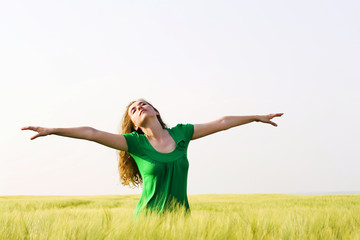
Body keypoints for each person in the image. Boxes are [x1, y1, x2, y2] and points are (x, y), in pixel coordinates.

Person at [22, 99, 283, 217]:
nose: (139, 107)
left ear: (156, 111)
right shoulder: (134, 143)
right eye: (133, 109)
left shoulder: (182, 133)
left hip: (181, 221)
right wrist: (52, 130)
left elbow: (222, 122)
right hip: (148, 220)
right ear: (134, 124)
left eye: (143, 103)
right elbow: (92, 133)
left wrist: (255, 117)